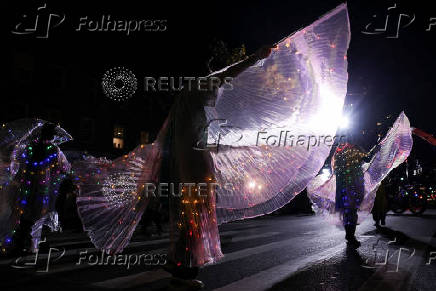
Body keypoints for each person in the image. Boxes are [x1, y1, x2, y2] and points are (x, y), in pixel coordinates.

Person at [161, 45, 274, 290]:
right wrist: (256, 57)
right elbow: (228, 74)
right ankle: (184, 273)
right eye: (212, 72)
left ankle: (180, 268)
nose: (216, 90)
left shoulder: (185, 99)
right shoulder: (198, 88)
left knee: (190, 218)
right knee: (194, 219)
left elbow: (197, 139)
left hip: (189, 165)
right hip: (196, 167)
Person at [8, 123, 70, 254]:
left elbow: (19, 163)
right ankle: (26, 241)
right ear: (51, 135)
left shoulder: (30, 147)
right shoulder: (53, 150)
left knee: (25, 213)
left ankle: (22, 240)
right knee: (37, 214)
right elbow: (64, 168)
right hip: (42, 187)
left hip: (27, 186)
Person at [333, 144, 368, 248]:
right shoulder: (344, 151)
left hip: (349, 186)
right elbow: (365, 157)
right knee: (350, 211)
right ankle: (350, 236)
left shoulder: (342, 151)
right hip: (349, 187)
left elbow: (365, 157)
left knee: (349, 212)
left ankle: (349, 236)